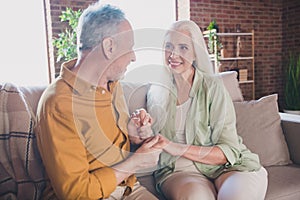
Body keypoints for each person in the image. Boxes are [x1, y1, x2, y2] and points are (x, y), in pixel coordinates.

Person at [35, 2, 161, 199]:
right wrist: (136, 162)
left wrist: (133, 135)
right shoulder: (59, 103)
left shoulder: (113, 83)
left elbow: (111, 144)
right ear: (109, 47)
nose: (134, 57)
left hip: (129, 187)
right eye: (129, 48)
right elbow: (76, 193)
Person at [149, 20, 268, 200]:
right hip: (180, 170)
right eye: (169, 46)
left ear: (196, 53)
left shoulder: (213, 87)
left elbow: (229, 150)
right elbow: (151, 140)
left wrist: (174, 147)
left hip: (230, 166)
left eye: (183, 48)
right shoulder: (156, 91)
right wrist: (140, 128)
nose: (173, 54)